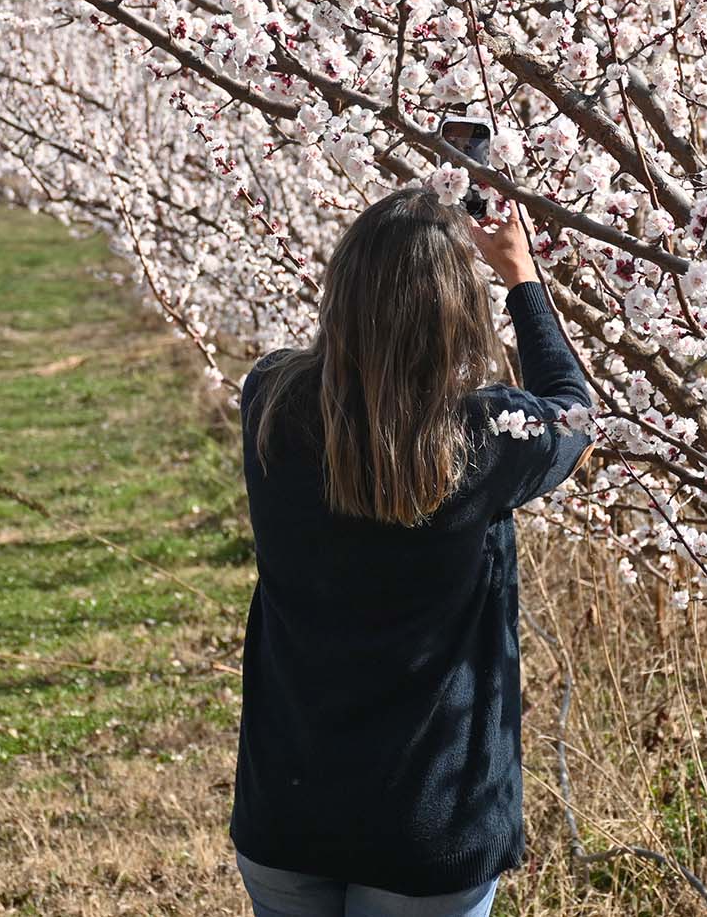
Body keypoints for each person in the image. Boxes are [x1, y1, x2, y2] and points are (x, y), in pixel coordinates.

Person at [230, 185, 595, 917]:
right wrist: (522, 276)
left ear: (341, 293)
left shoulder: (270, 401)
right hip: (432, 822)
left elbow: (330, 382)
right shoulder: (486, 437)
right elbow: (575, 409)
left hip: (289, 805)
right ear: (459, 313)